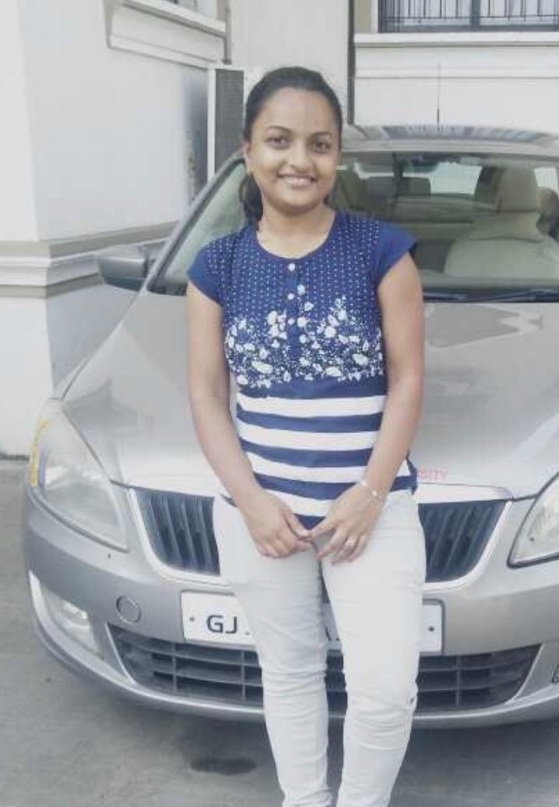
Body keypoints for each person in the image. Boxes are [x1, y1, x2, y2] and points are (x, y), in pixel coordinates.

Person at [186, 66, 425, 807]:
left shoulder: (381, 251)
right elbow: (206, 394)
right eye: (280, 140)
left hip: (370, 511)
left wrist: (369, 493)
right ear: (247, 150)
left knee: (385, 690)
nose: (300, 160)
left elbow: (409, 379)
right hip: (263, 516)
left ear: (338, 155)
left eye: (320, 144)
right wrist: (251, 500)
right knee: (289, 674)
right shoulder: (217, 266)